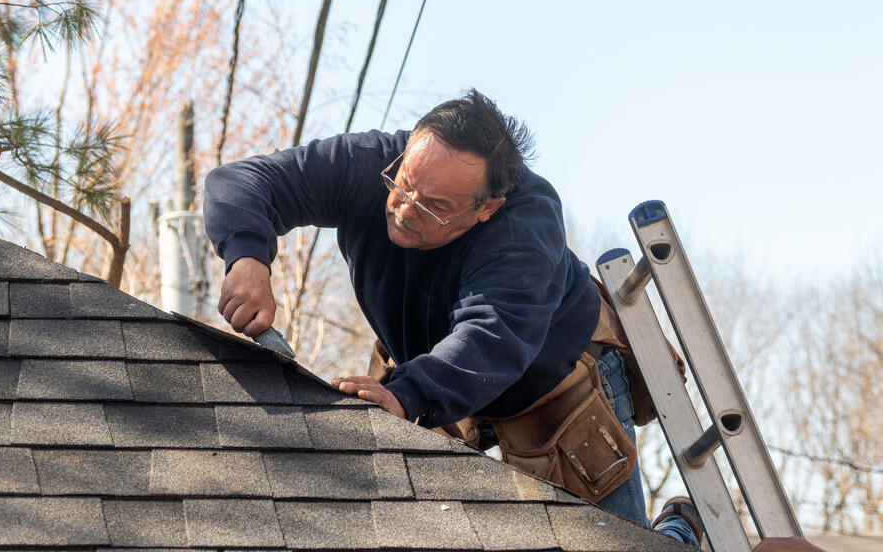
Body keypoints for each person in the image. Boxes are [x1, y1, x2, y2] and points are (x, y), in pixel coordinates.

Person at [204, 89, 700, 546]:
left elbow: (491, 336)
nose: (405, 210)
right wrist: (247, 256)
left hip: (554, 382)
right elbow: (242, 180)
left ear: (487, 208)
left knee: (610, 543)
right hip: (433, 378)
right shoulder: (369, 162)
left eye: (434, 206)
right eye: (402, 187)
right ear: (405, 154)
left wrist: (403, 396)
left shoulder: (524, 226)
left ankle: (681, 531)